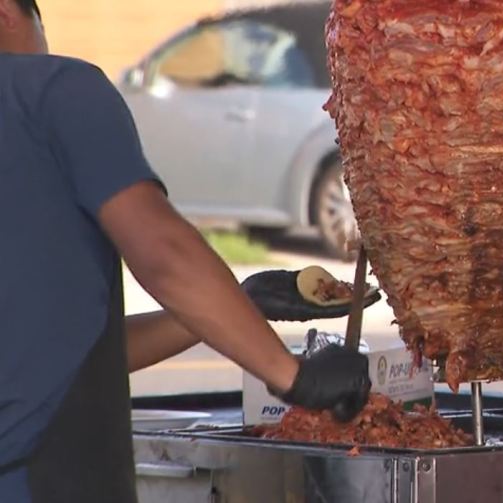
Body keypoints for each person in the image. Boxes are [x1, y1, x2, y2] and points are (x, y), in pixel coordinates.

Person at [0, 1, 371, 501]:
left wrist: (243, 304)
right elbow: (163, 251)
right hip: (44, 479)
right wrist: (293, 376)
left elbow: (79, 356)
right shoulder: (51, 90)